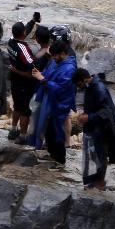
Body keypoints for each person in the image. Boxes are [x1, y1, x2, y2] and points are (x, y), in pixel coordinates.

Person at [74, 69, 115, 190]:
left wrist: (89, 117)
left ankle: (99, 182)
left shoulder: (99, 88)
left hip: (102, 127)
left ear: (84, 80)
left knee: (99, 154)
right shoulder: (91, 87)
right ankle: (92, 181)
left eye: (79, 84)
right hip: (94, 125)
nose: (80, 88)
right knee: (93, 154)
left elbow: (106, 111)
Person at [29, 40, 77, 168]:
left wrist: (43, 79)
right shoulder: (57, 62)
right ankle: (52, 154)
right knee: (49, 130)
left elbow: (61, 89)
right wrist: (39, 74)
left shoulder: (70, 69)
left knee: (56, 131)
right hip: (49, 100)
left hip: (59, 104)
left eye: (55, 55)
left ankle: (60, 161)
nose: (53, 58)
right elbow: (47, 74)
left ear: (62, 53)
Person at [6, 21, 38, 143]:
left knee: (17, 106)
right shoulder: (23, 48)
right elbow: (33, 65)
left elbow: (24, 31)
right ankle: (23, 136)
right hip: (24, 82)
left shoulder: (10, 42)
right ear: (24, 33)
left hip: (14, 81)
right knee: (25, 111)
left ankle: (13, 129)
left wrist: (33, 21)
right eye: (25, 30)